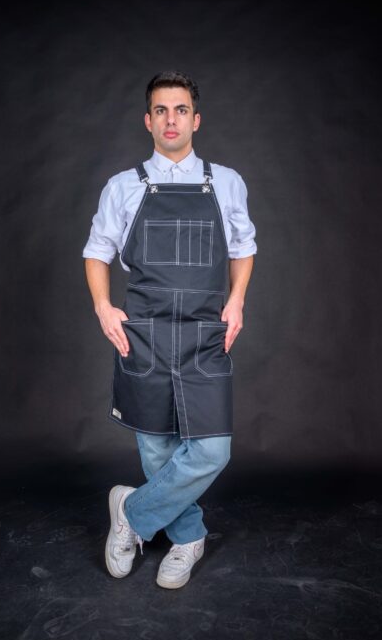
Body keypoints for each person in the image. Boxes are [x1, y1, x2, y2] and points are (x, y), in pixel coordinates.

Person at [83, 70, 256, 589]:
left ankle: (131, 513)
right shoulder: (122, 187)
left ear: (195, 120)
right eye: (161, 110)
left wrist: (238, 300)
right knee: (157, 449)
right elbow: (97, 252)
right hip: (146, 334)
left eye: (180, 109)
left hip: (206, 333)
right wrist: (103, 307)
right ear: (148, 121)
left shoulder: (225, 182)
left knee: (211, 450)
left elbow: (242, 248)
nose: (171, 119)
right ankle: (189, 537)